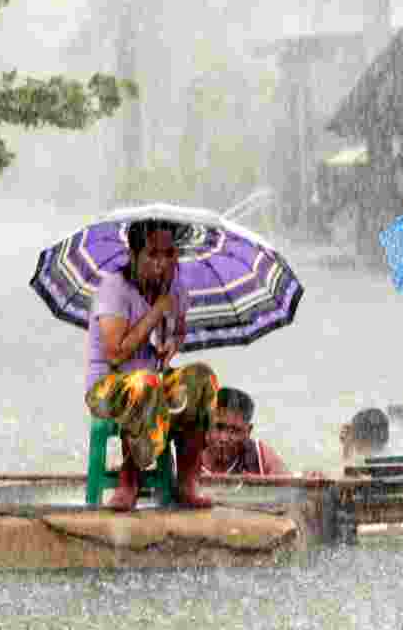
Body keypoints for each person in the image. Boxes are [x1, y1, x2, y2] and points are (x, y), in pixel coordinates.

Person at [84, 218, 218, 511]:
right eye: (153, 255)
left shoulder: (175, 287)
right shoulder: (114, 287)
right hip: (108, 388)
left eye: (169, 255)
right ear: (134, 255)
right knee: (145, 382)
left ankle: (187, 480)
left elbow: (178, 330)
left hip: (150, 385)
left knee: (201, 378)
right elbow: (116, 354)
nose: (161, 263)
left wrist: (172, 344)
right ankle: (129, 478)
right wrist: (157, 310)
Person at [200, 386, 289, 476]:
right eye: (218, 427)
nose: (224, 438)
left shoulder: (260, 456)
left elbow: (291, 486)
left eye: (234, 431)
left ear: (248, 431)